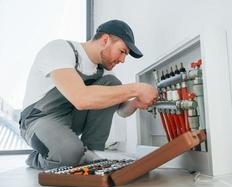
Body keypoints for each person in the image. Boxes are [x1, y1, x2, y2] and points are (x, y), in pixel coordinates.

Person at [19, 19, 158, 170]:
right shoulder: (60, 49)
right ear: (105, 40)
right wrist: (136, 89)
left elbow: (121, 111)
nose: (123, 60)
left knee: (112, 83)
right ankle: (38, 158)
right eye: (122, 51)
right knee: (69, 155)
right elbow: (80, 98)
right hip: (39, 119)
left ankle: (92, 153)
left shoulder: (103, 71)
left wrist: (135, 103)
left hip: (71, 116)